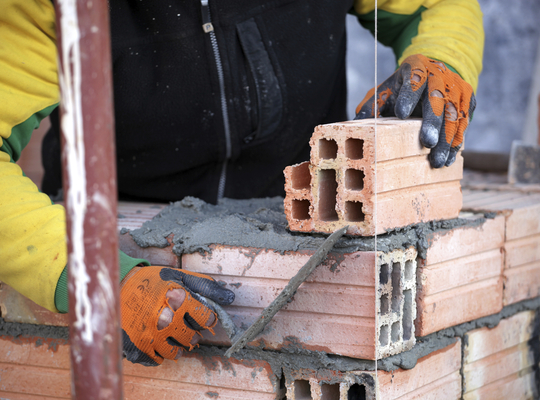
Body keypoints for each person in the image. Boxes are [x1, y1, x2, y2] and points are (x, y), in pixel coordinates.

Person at [0, 0, 483, 366]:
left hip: (304, 222)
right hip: (129, 249)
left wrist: (444, 60)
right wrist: (89, 278)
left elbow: (434, 6)